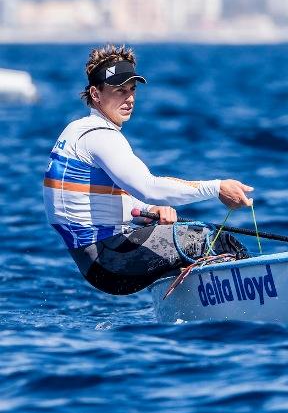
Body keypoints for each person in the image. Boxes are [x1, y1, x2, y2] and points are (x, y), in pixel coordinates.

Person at [43, 44, 254, 295]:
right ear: (95, 94)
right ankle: (258, 300)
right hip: (109, 261)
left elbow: (94, 199)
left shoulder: (77, 131)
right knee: (217, 242)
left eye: (132, 90)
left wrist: (147, 211)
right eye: (120, 91)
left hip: (99, 261)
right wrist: (217, 188)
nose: (129, 98)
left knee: (190, 243)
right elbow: (148, 187)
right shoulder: (99, 137)